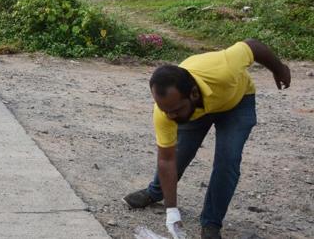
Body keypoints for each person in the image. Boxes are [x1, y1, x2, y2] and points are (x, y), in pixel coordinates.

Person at [123, 39, 291, 239]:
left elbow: (253, 46)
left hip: (236, 102)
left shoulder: (227, 67)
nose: (170, 117)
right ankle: (156, 192)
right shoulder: (168, 111)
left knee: (227, 160)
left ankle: (211, 224)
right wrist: (172, 211)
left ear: (193, 94)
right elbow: (166, 159)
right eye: (165, 111)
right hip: (196, 112)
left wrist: (279, 69)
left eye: (175, 111)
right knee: (180, 153)